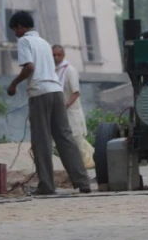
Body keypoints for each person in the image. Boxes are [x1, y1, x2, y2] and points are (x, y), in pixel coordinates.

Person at [6, 11, 91, 194]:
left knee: (42, 140)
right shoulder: (44, 43)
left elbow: (29, 67)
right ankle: (83, 182)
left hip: (40, 93)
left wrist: (14, 84)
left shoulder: (24, 42)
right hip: (56, 92)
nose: (15, 33)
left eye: (15, 29)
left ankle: (46, 185)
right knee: (65, 138)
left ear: (20, 26)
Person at [52, 45, 95, 169]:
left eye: (58, 55)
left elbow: (76, 93)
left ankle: (87, 164)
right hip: (59, 112)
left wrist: (65, 105)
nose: (56, 57)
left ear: (63, 55)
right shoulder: (53, 70)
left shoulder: (69, 70)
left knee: (77, 139)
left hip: (71, 111)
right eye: (53, 55)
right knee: (64, 140)